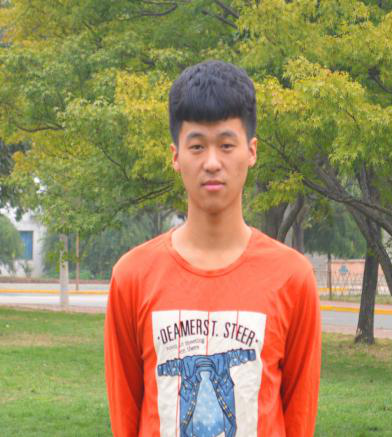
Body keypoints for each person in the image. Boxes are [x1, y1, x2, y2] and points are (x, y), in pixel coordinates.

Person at [104, 60, 321, 437]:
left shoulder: (292, 277)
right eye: (197, 146)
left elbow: (299, 417)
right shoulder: (132, 276)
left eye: (226, 145)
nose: (212, 163)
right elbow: (125, 415)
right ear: (176, 155)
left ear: (251, 151)